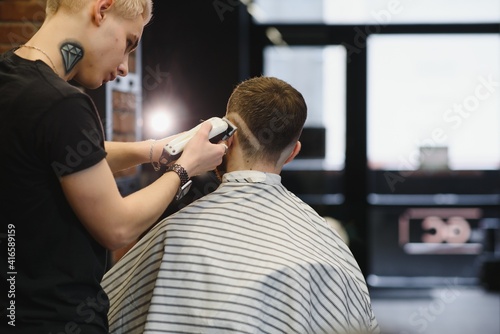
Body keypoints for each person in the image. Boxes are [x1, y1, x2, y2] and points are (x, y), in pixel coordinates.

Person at [0, 0, 227, 333]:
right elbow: (116, 227)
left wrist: (152, 150)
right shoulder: (63, 104)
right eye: (128, 43)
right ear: (101, 9)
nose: (124, 66)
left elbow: (61, 153)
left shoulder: (13, 79)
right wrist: (184, 169)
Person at [102, 76, 380, 334]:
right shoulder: (332, 248)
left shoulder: (173, 234)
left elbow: (106, 316)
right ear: (293, 153)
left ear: (226, 136)